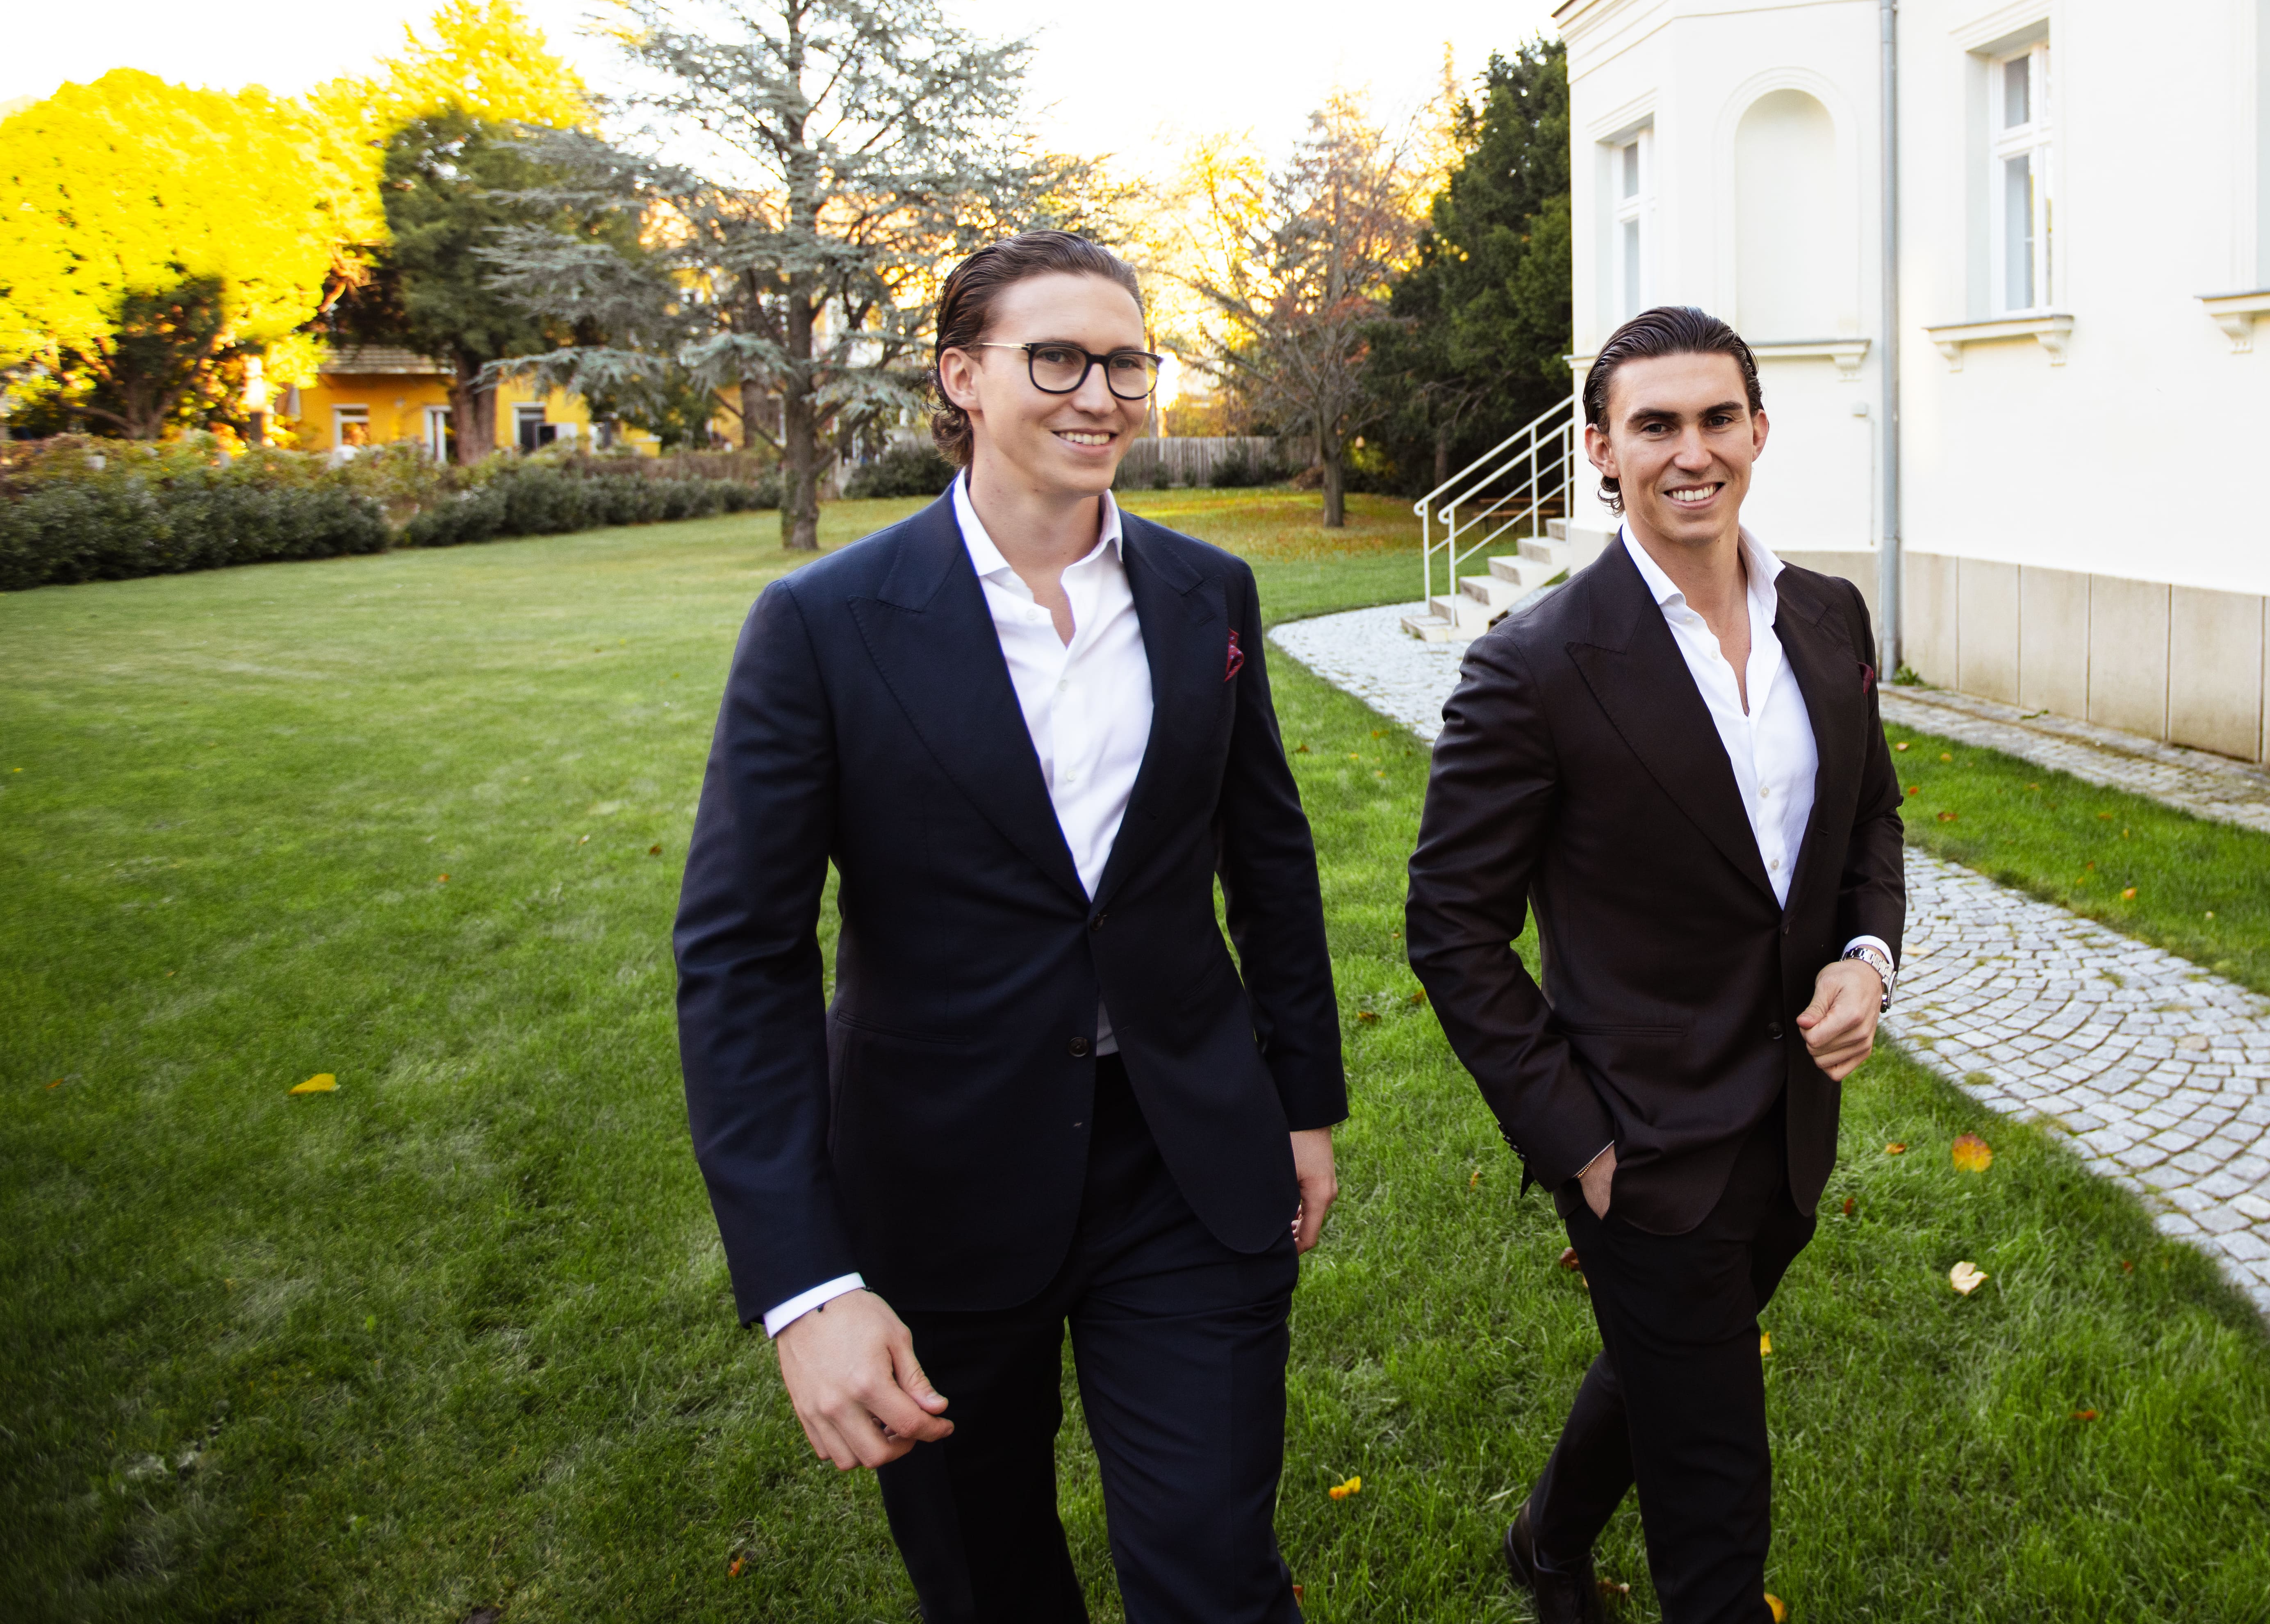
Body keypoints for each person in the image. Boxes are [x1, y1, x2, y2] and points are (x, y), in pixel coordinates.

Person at [672, 230, 1346, 1624]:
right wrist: (804, 1281)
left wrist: (1302, 1100)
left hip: (1184, 1155)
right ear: (962, 376)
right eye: (1058, 358)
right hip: (935, 1178)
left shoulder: (1206, 594)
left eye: (1127, 362)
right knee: (988, 1584)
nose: (1100, 393)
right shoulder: (822, 623)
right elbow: (741, 957)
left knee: (1217, 1573)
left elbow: (1268, 864)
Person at [1404, 305, 1906, 1624]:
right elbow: (1450, 925)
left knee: (1666, 1367)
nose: (1693, 451)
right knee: (1715, 1491)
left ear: (1757, 429)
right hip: (1639, 1140)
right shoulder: (1532, 664)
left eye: (1716, 418)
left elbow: (1869, 817)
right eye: (1655, 425)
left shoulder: (1830, 611)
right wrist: (1575, 1134)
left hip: (1792, 1118)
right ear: (1599, 450)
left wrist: (1866, 955)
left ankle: (1545, 1538)